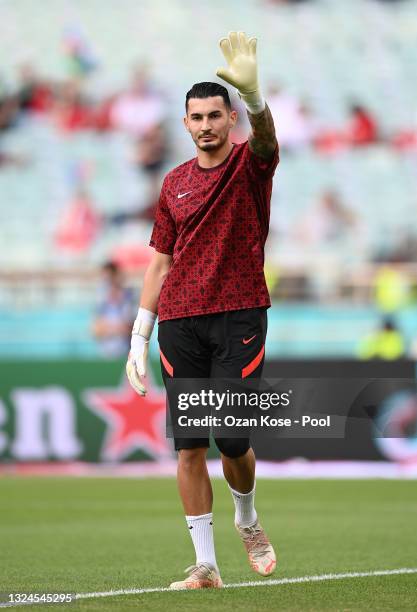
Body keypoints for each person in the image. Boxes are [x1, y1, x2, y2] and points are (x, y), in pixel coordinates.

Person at [126, 32, 279, 590]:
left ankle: (248, 519)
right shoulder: (172, 184)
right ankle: (206, 566)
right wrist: (139, 336)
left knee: (233, 438)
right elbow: (159, 261)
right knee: (190, 444)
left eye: (217, 113)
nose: (207, 123)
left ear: (231, 118)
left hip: (239, 314)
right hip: (180, 322)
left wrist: (257, 99)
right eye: (197, 116)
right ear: (185, 123)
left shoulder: (250, 165)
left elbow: (267, 139)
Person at [92, 261, 136, 357]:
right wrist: (117, 329)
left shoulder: (128, 298)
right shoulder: (101, 302)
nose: (106, 283)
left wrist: (108, 329)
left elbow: (131, 329)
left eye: (109, 278)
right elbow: (96, 330)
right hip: (105, 355)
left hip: (125, 354)